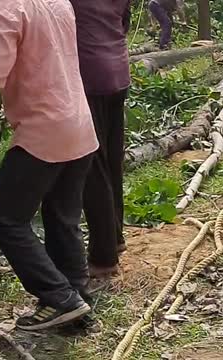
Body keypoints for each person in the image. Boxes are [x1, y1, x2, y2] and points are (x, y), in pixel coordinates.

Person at [0, 0, 99, 330]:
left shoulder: (7, 8)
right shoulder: (59, 2)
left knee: (4, 217)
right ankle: (77, 301)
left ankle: (60, 297)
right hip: (77, 122)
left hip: (44, 129)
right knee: (63, 217)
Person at [70, 0, 131, 278]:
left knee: (93, 166)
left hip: (88, 77)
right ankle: (115, 237)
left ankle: (103, 257)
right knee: (112, 161)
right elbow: (124, 23)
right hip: (117, 74)